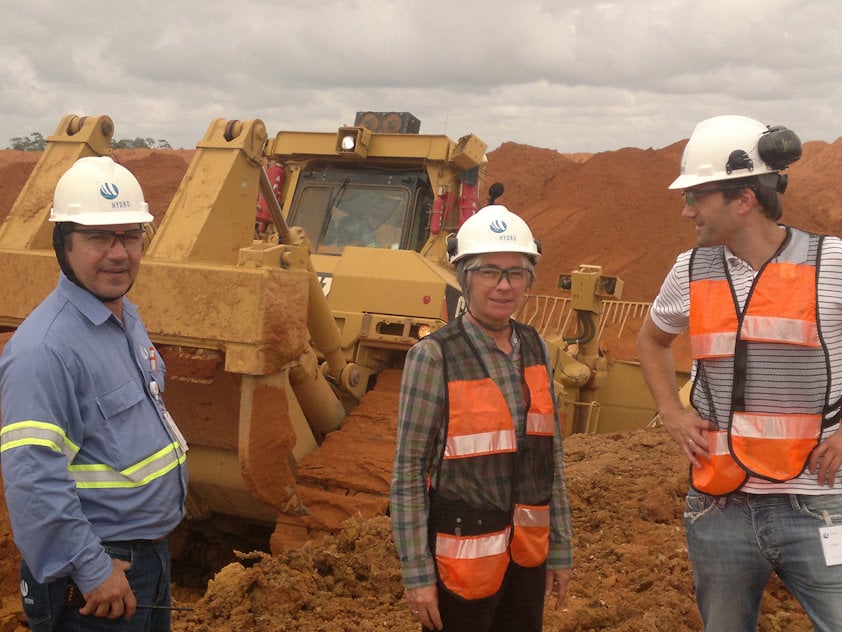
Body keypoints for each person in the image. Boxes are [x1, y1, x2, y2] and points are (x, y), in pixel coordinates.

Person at [637, 114, 842, 631]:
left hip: (818, 503)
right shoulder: (690, 268)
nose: (686, 212)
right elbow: (652, 338)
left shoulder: (832, 264)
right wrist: (670, 412)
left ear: (743, 199)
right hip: (719, 506)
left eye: (697, 197)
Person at [0, 156, 189, 631]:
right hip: (99, 573)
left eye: (129, 236)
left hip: (146, 559)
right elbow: (32, 478)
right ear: (62, 245)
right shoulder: (45, 350)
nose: (118, 252)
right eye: (99, 237)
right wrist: (90, 567)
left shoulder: (124, 319)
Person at [389, 202, 573, 631]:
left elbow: (552, 463)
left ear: (529, 279)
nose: (504, 286)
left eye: (516, 273)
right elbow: (408, 474)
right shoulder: (434, 356)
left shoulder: (536, 348)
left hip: (527, 557)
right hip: (462, 567)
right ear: (466, 278)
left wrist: (560, 549)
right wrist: (418, 576)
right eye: (490, 271)